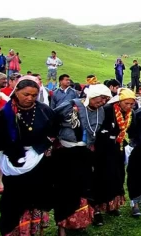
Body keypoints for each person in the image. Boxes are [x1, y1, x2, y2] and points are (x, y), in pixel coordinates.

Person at [0, 75, 57, 236]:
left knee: (38, 197)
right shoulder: (4, 114)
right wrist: (15, 149)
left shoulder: (45, 111)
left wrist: (44, 146)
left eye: (34, 95)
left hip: (39, 164)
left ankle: (35, 231)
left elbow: (53, 132)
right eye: (26, 94)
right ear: (16, 92)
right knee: (13, 202)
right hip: (14, 163)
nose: (30, 98)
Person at [53, 84, 111, 235]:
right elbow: (53, 120)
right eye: (101, 97)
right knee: (65, 189)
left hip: (85, 153)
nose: (102, 101)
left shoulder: (101, 111)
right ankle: (62, 227)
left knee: (84, 188)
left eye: (106, 99)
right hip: (66, 154)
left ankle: (80, 223)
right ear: (91, 95)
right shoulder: (71, 105)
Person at [92, 88, 136, 226]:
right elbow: (98, 130)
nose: (129, 106)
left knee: (117, 176)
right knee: (101, 177)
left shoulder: (129, 114)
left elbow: (129, 130)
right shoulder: (107, 110)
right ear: (120, 101)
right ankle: (96, 210)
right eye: (127, 103)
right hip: (103, 150)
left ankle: (111, 205)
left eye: (131, 104)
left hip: (118, 148)